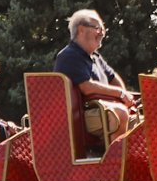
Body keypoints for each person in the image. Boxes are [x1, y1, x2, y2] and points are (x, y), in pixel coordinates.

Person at [54, 9, 138, 145]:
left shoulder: (95, 57)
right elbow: (86, 87)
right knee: (119, 114)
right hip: (81, 115)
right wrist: (120, 94)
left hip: (100, 110)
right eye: (98, 28)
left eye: (103, 29)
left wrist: (125, 99)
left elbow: (113, 78)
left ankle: (137, 162)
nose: (102, 33)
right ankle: (116, 163)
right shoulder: (69, 56)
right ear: (81, 29)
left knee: (145, 122)